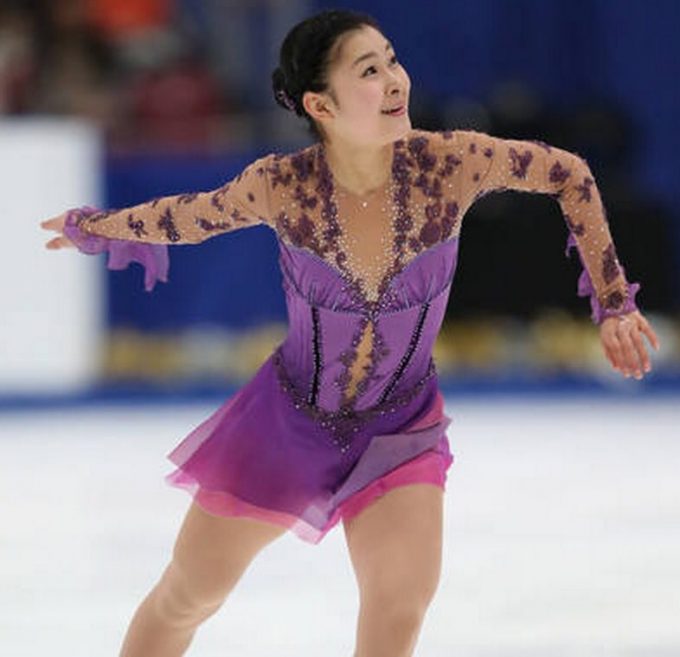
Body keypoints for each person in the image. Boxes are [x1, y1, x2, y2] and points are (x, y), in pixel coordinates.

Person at [40, 9, 660, 657]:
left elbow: (569, 173)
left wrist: (614, 302)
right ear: (321, 104)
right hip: (284, 425)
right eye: (368, 70)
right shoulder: (283, 186)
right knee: (188, 596)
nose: (394, 80)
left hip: (401, 429)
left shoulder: (450, 164)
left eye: (392, 60)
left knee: (398, 610)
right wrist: (96, 227)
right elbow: (188, 217)